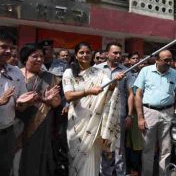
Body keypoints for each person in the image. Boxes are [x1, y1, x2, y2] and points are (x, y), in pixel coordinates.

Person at [62, 42, 122, 176]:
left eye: (88, 52)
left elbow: (110, 88)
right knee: (75, 160)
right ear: (76, 55)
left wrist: (115, 81)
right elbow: (68, 95)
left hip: (94, 123)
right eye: (81, 52)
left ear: (92, 54)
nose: (85, 55)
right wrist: (88, 91)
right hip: (77, 122)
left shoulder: (98, 72)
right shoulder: (69, 72)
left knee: (92, 159)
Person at [134, 50, 176, 176]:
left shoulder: (174, 73)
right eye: (165, 60)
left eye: (170, 59)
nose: (168, 62)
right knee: (148, 149)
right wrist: (140, 118)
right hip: (149, 112)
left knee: (166, 149)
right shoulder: (146, 71)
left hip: (168, 113)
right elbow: (138, 95)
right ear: (157, 60)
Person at [17, 43, 62, 176]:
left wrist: (48, 100)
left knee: (36, 157)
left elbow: (57, 103)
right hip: (17, 120)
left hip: (40, 123)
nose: (39, 59)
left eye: (41, 56)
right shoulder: (16, 74)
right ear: (25, 58)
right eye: (34, 56)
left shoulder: (50, 78)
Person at [0, 34, 35, 175]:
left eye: (11, 48)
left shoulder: (15, 71)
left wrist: (24, 103)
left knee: (5, 169)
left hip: (7, 133)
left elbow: (21, 101)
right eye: (3, 47)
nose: (8, 51)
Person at [96, 42, 129, 176]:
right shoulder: (96, 69)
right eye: (115, 53)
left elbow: (131, 94)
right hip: (100, 113)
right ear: (107, 54)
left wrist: (129, 115)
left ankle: (121, 173)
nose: (118, 55)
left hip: (119, 114)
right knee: (103, 145)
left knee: (118, 147)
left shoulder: (126, 71)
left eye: (120, 53)